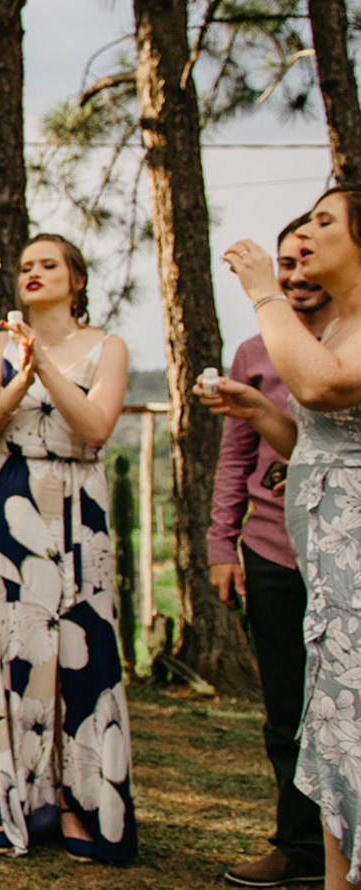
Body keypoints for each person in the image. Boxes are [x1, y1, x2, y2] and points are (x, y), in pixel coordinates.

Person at [0, 233, 135, 863]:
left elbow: (94, 427)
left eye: (48, 264)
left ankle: (80, 804)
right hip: (8, 505)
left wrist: (49, 367)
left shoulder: (107, 346)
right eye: (25, 266)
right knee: (14, 657)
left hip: (79, 509)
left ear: (76, 279)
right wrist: (19, 379)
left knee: (79, 654)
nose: (33, 273)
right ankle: (13, 801)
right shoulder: (0, 347)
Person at [207, 185, 361, 890]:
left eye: (322, 225)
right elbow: (306, 441)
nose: (302, 245)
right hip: (307, 553)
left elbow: (326, 390)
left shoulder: (331, 338)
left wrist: (264, 290)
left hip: (351, 553)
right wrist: (253, 409)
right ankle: (327, 871)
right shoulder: (328, 332)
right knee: (320, 723)